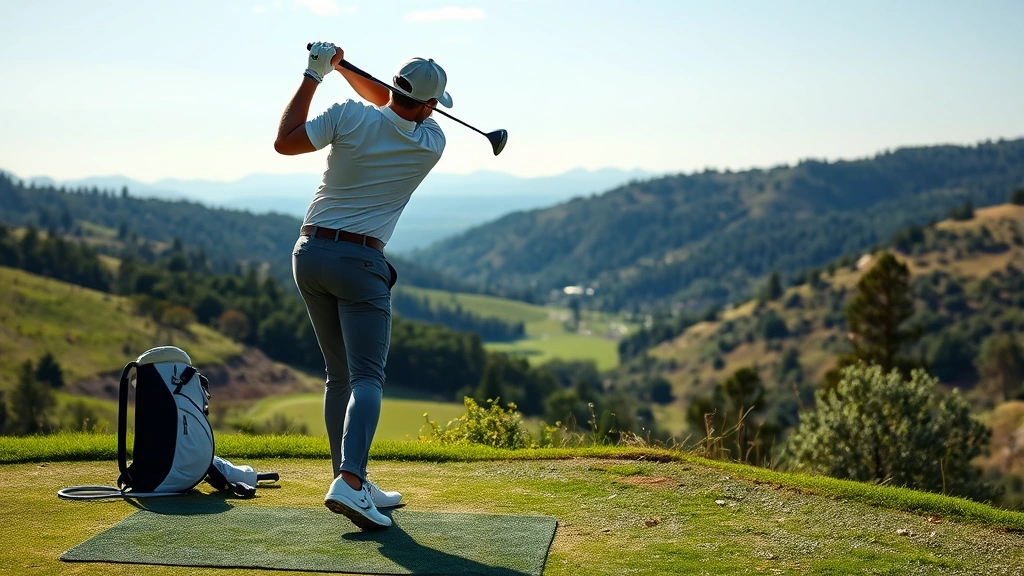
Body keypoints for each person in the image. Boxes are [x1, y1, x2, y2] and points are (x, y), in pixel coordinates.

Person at [273, 41, 451, 530]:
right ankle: (350, 483)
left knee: (340, 377)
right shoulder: (431, 141)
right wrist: (345, 68)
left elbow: (285, 140)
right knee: (367, 378)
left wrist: (319, 73)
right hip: (361, 263)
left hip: (308, 254)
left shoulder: (347, 114)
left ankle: (351, 480)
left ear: (395, 87)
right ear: (433, 105)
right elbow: (395, 107)